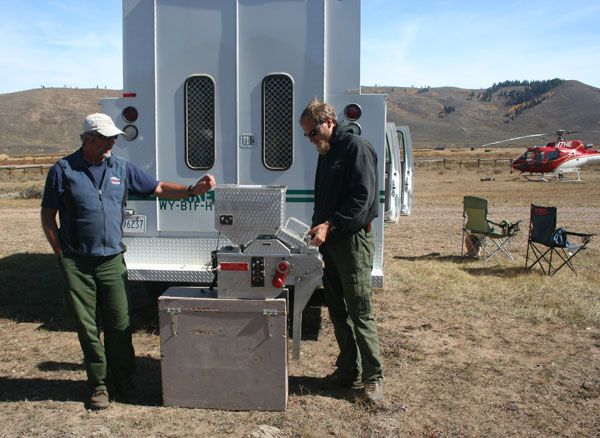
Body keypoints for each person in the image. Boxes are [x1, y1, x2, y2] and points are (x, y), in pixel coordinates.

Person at [40, 113, 216, 410]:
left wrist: (190, 190)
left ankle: (123, 379)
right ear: (89, 139)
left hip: (111, 259)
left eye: (113, 137)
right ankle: (98, 384)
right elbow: (48, 215)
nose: (112, 142)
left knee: (120, 322)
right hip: (78, 262)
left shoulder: (120, 167)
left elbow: (158, 188)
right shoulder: (63, 170)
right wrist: (61, 253)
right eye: (107, 137)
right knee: (88, 326)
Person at [299, 98, 384, 404]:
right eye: (307, 135)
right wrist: (316, 226)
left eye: (312, 133)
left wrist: (330, 225)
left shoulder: (355, 148)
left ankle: (373, 378)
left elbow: (362, 199)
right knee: (338, 311)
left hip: (352, 242)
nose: (311, 140)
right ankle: (349, 369)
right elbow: (323, 197)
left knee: (360, 311)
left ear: (328, 122)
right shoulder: (327, 151)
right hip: (332, 243)